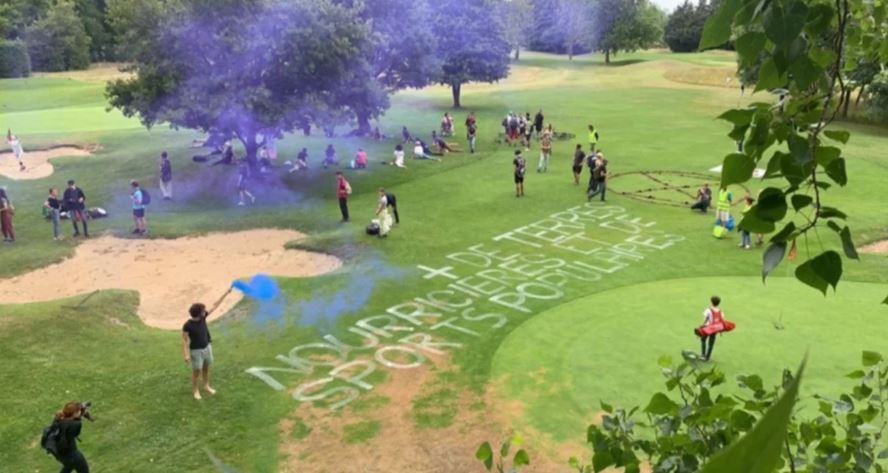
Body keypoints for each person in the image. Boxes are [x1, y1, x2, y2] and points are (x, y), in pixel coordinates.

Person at [182, 293, 228, 400]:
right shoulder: (187, 325)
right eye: (203, 310)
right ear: (198, 314)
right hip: (196, 352)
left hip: (207, 347)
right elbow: (185, 341)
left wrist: (226, 293)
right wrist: (186, 355)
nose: (205, 311)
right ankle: (195, 391)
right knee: (196, 372)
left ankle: (206, 386)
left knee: (206, 368)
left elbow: (215, 305)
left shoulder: (203, 318)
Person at [51, 401, 91, 472]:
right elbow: (76, 432)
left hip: (59, 453)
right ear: (74, 414)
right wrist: (81, 416)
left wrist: (79, 409)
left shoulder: (58, 418)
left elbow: (68, 418)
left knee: (68, 465)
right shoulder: (76, 424)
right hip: (72, 454)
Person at [698, 296, 727, 361]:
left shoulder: (708, 310)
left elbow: (705, 319)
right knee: (711, 343)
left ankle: (703, 355)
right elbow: (721, 320)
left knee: (703, 339)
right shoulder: (720, 311)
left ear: (711, 302)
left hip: (707, 328)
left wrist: (702, 325)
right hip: (715, 329)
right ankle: (708, 357)